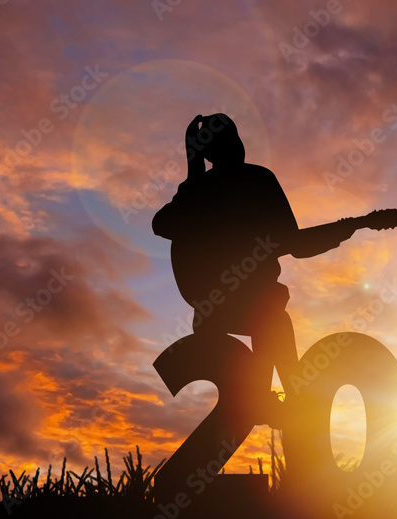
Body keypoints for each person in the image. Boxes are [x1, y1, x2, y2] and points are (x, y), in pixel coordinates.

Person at [153, 114, 365, 425]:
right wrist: (194, 175)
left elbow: (292, 243)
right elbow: (163, 223)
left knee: (272, 318)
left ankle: (269, 398)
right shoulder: (238, 182)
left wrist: (350, 227)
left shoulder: (238, 182)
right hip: (226, 304)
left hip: (225, 307)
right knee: (274, 321)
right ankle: (288, 398)